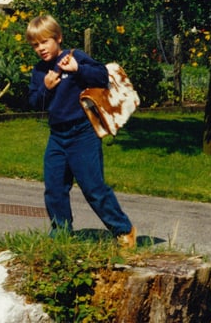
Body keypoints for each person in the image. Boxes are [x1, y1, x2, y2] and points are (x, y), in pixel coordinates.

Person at [26, 15, 137, 248]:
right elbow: (35, 102)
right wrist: (45, 88)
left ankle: (124, 230)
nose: (41, 48)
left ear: (58, 38)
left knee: (93, 187)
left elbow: (101, 76)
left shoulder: (74, 58)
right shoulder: (39, 71)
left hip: (82, 134)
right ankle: (61, 232)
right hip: (57, 135)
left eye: (45, 42)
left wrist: (77, 70)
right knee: (55, 187)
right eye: (36, 45)